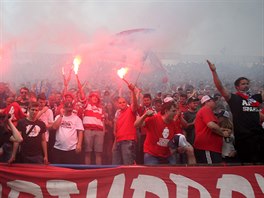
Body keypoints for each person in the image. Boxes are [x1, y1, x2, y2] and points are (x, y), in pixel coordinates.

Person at [207, 60, 264, 163]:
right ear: (237, 87)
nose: (246, 85)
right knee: (247, 165)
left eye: (247, 83)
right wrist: (214, 72)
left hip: (258, 135)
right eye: (243, 84)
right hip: (243, 137)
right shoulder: (234, 98)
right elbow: (220, 87)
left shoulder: (255, 98)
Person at [134, 97, 196, 165]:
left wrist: (180, 147)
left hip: (167, 155)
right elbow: (136, 125)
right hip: (152, 154)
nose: (176, 113)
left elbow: (177, 139)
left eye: (176, 111)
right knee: (153, 173)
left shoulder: (174, 123)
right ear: (166, 111)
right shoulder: (154, 118)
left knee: (173, 172)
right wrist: (144, 116)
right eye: (173, 111)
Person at [194, 95, 232, 164]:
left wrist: (223, 129)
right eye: (213, 101)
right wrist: (223, 133)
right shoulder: (206, 109)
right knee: (211, 170)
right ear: (207, 102)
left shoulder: (207, 111)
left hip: (211, 147)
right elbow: (212, 126)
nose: (215, 102)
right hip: (208, 147)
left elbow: (209, 127)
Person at [112, 83, 138, 165]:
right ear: (117, 104)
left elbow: (135, 104)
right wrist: (114, 143)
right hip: (118, 141)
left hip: (128, 140)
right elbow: (116, 131)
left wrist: (133, 91)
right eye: (120, 103)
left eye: (124, 102)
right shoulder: (118, 114)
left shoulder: (131, 110)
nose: (122, 104)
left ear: (127, 103)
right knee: (116, 165)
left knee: (128, 165)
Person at [82, 91, 105, 165]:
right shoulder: (87, 105)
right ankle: (87, 172)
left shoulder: (101, 108)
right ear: (90, 98)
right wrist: (81, 88)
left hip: (99, 131)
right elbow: (82, 97)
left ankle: (98, 172)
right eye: (93, 96)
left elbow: (103, 121)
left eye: (96, 97)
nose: (95, 98)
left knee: (98, 153)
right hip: (88, 130)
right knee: (87, 152)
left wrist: (103, 132)